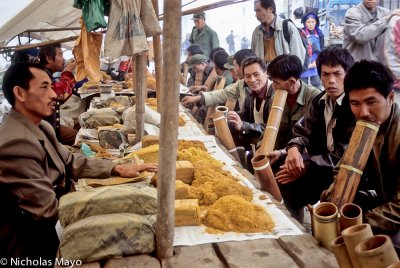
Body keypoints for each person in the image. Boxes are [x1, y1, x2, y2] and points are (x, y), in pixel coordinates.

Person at [0, 62, 158, 260]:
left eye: (51, 86)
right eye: (44, 87)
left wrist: (115, 168)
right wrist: (108, 208)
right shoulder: (16, 141)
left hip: (54, 218)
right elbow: (45, 211)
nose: (54, 95)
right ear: (20, 93)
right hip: (35, 245)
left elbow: (71, 162)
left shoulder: (41, 127)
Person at [323, 60, 400, 255]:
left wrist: (362, 223)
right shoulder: (366, 126)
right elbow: (342, 169)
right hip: (385, 202)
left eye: (371, 102)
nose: (363, 112)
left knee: (386, 244)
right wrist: (332, 197)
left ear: (390, 98)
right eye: (355, 103)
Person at [278, 46, 356, 221]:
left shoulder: (355, 106)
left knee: (291, 182)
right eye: (325, 74)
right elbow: (302, 129)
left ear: (348, 75)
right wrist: (294, 149)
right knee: (282, 178)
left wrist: (305, 165)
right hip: (319, 165)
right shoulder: (320, 101)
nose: (331, 81)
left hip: (344, 172)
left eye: (337, 74)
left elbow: (344, 156)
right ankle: (297, 232)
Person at [257, 54, 320, 155]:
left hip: (300, 156)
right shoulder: (274, 99)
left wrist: (283, 153)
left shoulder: (315, 99)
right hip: (277, 154)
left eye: (276, 82)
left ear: (291, 82)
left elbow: (313, 139)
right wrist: (261, 148)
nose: (273, 86)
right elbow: (269, 129)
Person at [181, 49, 256, 114]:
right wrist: (199, 98)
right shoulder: (241, 83)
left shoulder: (259, 86)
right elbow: (223, 93)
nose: (234, 71)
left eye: (234, 67)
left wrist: (242, 124)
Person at [226, 56, 273, 151]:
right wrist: (233, 116)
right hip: (255, 137)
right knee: (229, 125)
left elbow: (273, 127)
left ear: (266, 73)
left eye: (256, 74)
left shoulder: (275, 94)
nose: (252, 80)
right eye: (247, 76)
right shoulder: (251, 92)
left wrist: (243, 126)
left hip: (271, 142)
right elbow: (245, 115)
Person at [39, 43, 79, 145]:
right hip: (43, 130)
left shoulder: (46, 74)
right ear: (49, 58)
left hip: (51, 125)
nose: (63, 59)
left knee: (79, 131)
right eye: (60, 55)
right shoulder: (42, 76)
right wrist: (68, 72)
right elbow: (59, 96)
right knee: (80, 139)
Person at [251, 0, 306, 66]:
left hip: (284, 75)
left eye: (258, 10)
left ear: (270, 9)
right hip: (264, 74)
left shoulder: (287, 27)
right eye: (255, 11)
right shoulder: (257, 32)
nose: (256, 15)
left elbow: (298, 58)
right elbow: (254, 57)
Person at [300, 12, 324, 89]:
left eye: (313, 22)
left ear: (316, 22)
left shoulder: (319, 33)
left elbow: (322, 49)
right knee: (303, 84)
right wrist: (306, 64)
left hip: (315, 61)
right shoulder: (301, 33)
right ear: (304, 23)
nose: (311, 24)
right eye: (308, 22)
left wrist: (316, 62)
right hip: (305, 60)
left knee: (317, 83)